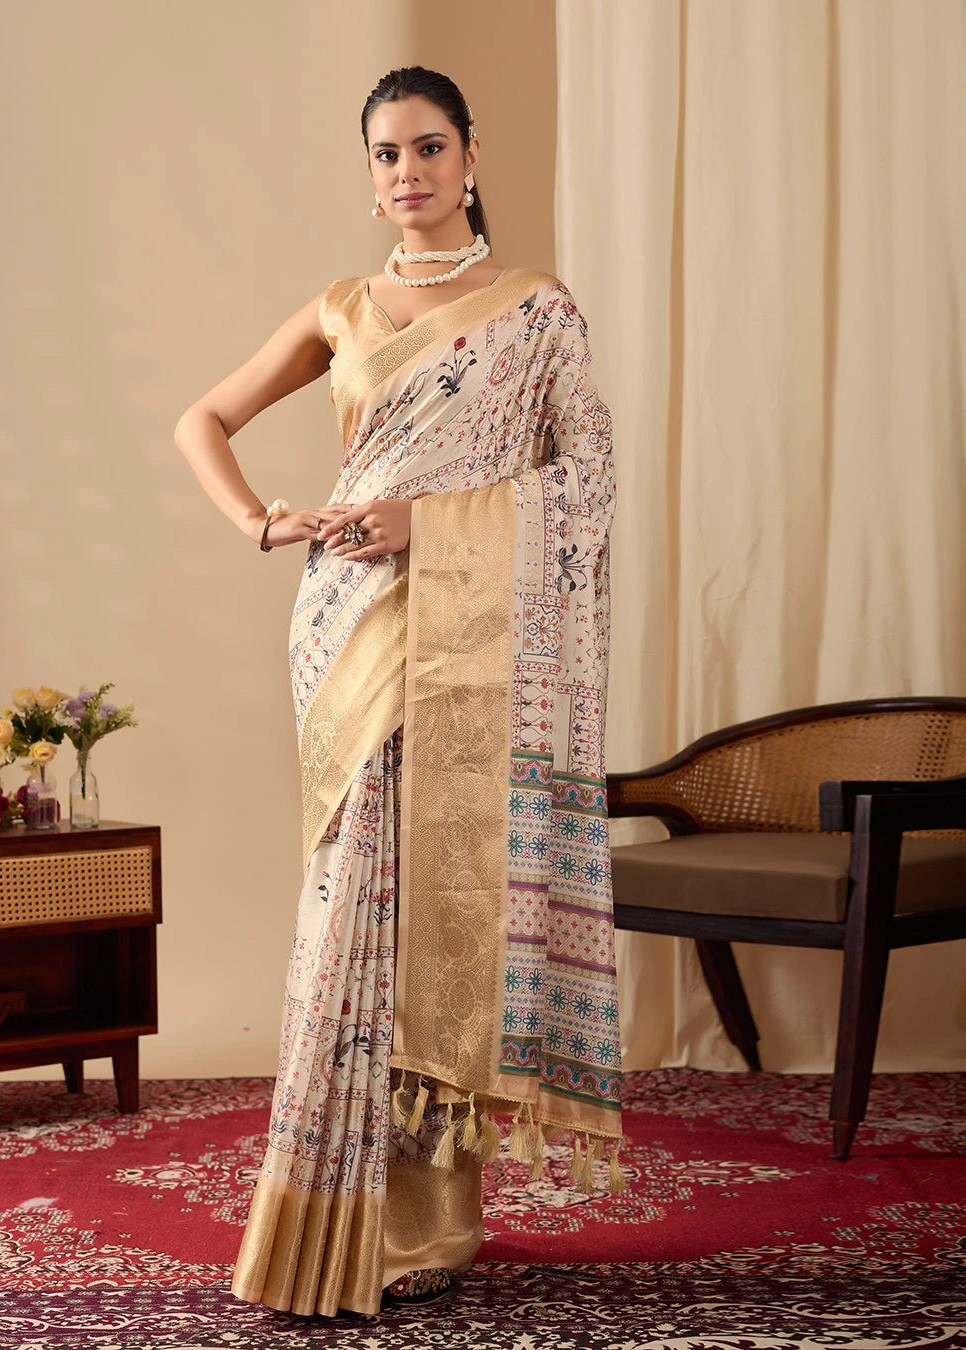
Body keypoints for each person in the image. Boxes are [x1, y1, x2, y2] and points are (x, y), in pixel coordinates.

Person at [174, 64, 626, 1320]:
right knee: (349, 912)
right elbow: (201, 419)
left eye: (429, 148)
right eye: (385, 156)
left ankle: (425, 1223)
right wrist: (270, 523)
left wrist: (426, 520)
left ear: (472, 157)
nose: (408, 173)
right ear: (369, 177)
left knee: (446, 910)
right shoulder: (341, 308)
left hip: (477, 647)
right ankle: (324, 1215)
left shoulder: (538, 314)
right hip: (350, 632)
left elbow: (583, 486)